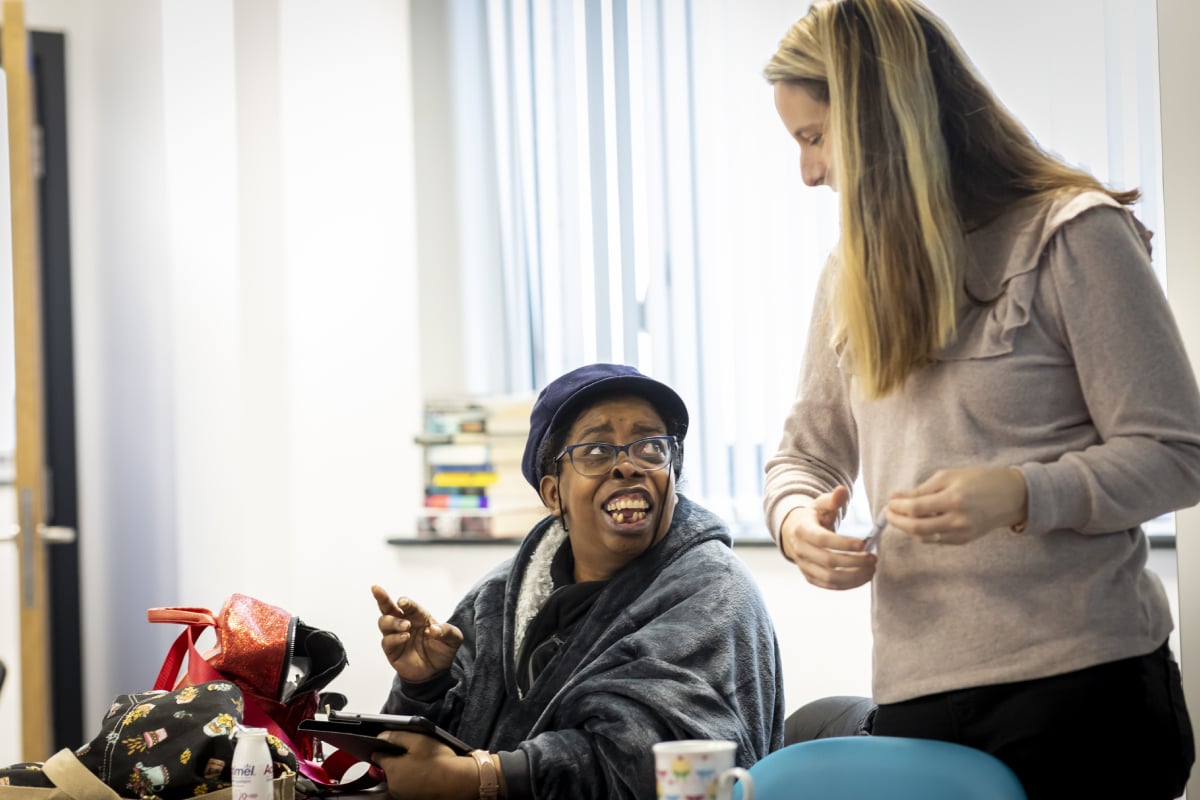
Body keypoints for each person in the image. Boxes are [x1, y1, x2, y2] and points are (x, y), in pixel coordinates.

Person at [760, 1, 1199, 798]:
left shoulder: (1072, 235)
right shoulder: (848, 274)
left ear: (881, 119)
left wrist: (1023, 493)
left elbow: (1177, 455)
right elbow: (804, 453)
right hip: (919, 696)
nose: (809, 172)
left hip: (1085, 695)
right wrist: (795, 527)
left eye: (815, 137)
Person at [371, 363, 784, 800]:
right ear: (553, 494)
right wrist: (424, 685)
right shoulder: (498, 598)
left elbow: (661, 758)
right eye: (596, 451)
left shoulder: (714, 591)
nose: (628, 466)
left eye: (650, 447)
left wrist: (486, 777)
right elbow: (420, 764)